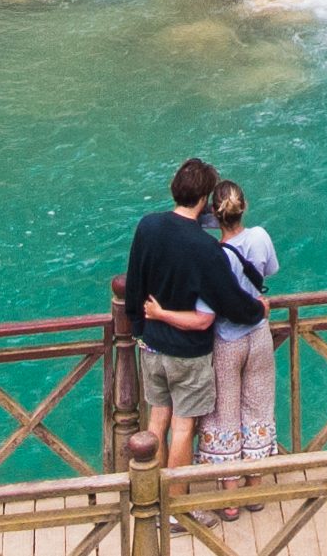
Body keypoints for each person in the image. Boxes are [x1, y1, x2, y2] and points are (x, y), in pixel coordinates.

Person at [119, 158, 268, 466]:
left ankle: (153, 500)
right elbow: (231, 302)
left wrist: (138, 327)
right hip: (187, 353)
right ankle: (176, 509)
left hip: (150, 345)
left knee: (156, 421)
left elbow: (134, 281)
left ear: (175, 190)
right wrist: (258, 309)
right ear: (205, 201)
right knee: (183, 427)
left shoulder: (147, 225)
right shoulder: (205, 247)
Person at [200, 179, 280, 501]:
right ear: (244, 206)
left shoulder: (214, 256)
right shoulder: (260, 237)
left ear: (214, 216)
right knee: (258, 409)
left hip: (226, 340)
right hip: (259, 335)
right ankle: (255, 493)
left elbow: (207, 306)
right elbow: (269, 271)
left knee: (224, 415)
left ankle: (230, 501)